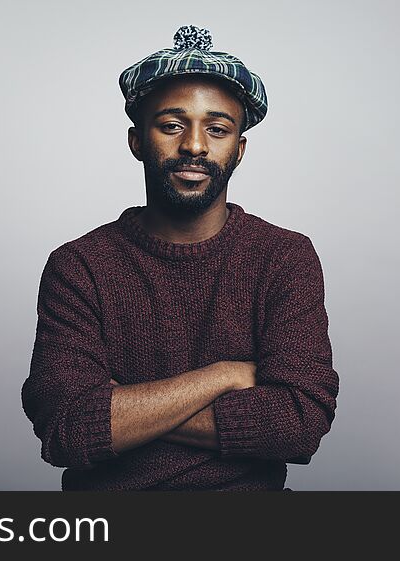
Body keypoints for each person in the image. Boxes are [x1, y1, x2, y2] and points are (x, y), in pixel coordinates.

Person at [21, 25, 339, 491]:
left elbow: (299, 423)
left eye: (217, 128)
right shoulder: (80, 266)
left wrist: (122, 408)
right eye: (171, 125)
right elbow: (68, 429)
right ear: (136, 142)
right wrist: (222, 376)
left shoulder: (284, 258)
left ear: (239, 150)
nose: (194, 145)